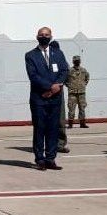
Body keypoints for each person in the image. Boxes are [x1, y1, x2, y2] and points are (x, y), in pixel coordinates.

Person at [25, 27, 69, 170]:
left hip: (55, 99)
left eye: (47, 35)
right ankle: (40, 159)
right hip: (39, 98)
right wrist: (51, 87)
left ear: (51, 36)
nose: (44, 37)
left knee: (53, 129)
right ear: (37, 36)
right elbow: (33, 76)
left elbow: (64, 70)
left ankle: (51, 158)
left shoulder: (58, 53)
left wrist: (57, 85)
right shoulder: (31, 55)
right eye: (41, 35)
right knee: (40, 129)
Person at [66, 55, 90, 129]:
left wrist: (83, 85)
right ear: (73, 61)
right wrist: (69, 86)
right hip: (72, 93)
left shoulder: (83, 70)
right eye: (75, 61)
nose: (77, 62)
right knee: (71, 109)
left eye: (78, 60)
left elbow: (87, 78)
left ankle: (82, 124)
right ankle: (70, 124)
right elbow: (65, 80)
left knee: (82, 108)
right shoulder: (69, 71)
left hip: (81, 93)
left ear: (80, 61)